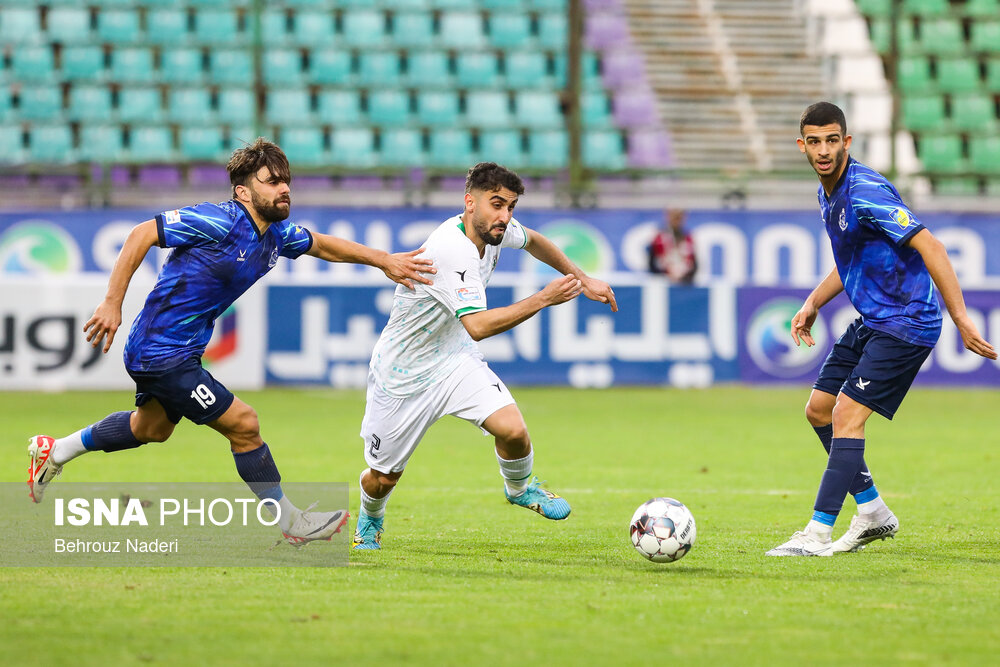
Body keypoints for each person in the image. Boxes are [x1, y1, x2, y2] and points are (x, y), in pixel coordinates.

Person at [26, 138, 435, 547]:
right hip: (160, 350)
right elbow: (139, 234)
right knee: (244, 424)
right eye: (272, 181)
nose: (284, 188)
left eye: (286, 180)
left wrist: (384, 260)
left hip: (179, 349)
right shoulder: (218, 220)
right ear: (243, 191)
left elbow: (323, 244)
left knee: (150, 428)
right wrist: (112, 303)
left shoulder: (276, 235)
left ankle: (55, 450)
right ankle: (291, 521)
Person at [766, 102, 996, 557]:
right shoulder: (827, 192)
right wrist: (813, 301)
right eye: (815, 142)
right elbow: (850, 259)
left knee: (847, 416)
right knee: (818, 410)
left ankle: (817, 534)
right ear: (802, 146)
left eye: (833, 140)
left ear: (846, 142)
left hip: (908, 322)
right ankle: (872, 512)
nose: (824, 150)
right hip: (874, 320)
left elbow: (931, 245)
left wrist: (961, 317)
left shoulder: (866, 190)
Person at [351, 162, 618, 550]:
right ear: (469, 202)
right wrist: (543, 298)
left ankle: (520, 489)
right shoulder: (451, 249)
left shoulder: (494, 230)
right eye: (496, 204)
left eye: (510, 206)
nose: (505, 216)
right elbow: (478, 325)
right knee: (382, 477)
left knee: (513, 430)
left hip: (454, 359)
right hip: (404, 374)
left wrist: (584, 277)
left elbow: (536, 241)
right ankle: (370, 520)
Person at [647, 208, 696, 284]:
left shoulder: (688, 239)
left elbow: (694, 265)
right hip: (664, 283)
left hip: (684, 284)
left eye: (679, 216)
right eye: (674, 216)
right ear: (668, 216)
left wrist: (685, 277)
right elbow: (651, 264)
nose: (676, 219)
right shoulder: (659, 239)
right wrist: (665, 276)